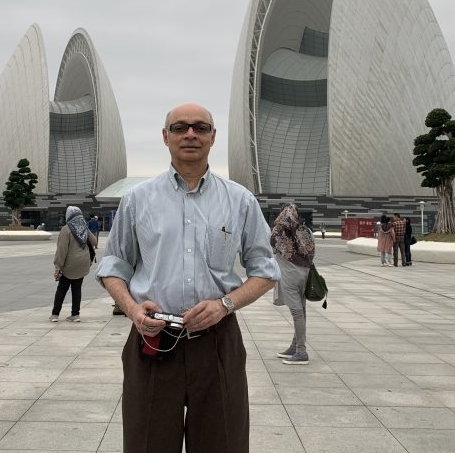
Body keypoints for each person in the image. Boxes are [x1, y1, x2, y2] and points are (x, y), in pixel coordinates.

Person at [96, 103, 280, 453]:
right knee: (146, 443)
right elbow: (113, 266)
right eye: (180, 127)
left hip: (217, 344)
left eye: (201, 127)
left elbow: (265, 271)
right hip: (153, 341)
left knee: (223, 442)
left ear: (213, 137)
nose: (191, 134)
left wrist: (225, 304)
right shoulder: (137, 199)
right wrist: (133, 310)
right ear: (165, 137)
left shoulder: (239, 200)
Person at [272, 203, 315, 365]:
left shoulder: (279, 233)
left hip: (289, 276)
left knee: (297, 313)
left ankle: (301, 351)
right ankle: (294, 346)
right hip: (304, 275)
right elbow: (312, 252)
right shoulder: (306, 231)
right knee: (302, 312)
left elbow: (271, 243)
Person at [51, 206, 98, 322]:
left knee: (62, 288)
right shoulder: (84, 228)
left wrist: (58, 266)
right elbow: (95, 242)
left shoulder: (66, 229)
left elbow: (62, 250)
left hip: (69, 264)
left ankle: (55, 314)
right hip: (83, 263)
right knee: (77, 288)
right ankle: (75, 314)